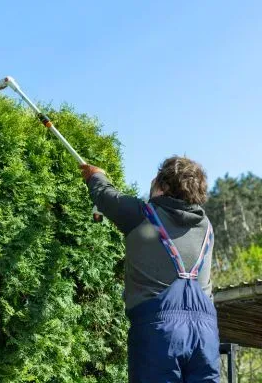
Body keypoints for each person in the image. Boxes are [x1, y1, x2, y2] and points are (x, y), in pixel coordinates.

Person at [80, 156, 220, 383]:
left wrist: (95, 174)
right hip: (206, 335)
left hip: (159, 332)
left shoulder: (141, 215)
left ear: (163, 186)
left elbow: (105, 196)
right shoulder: (207, 227)